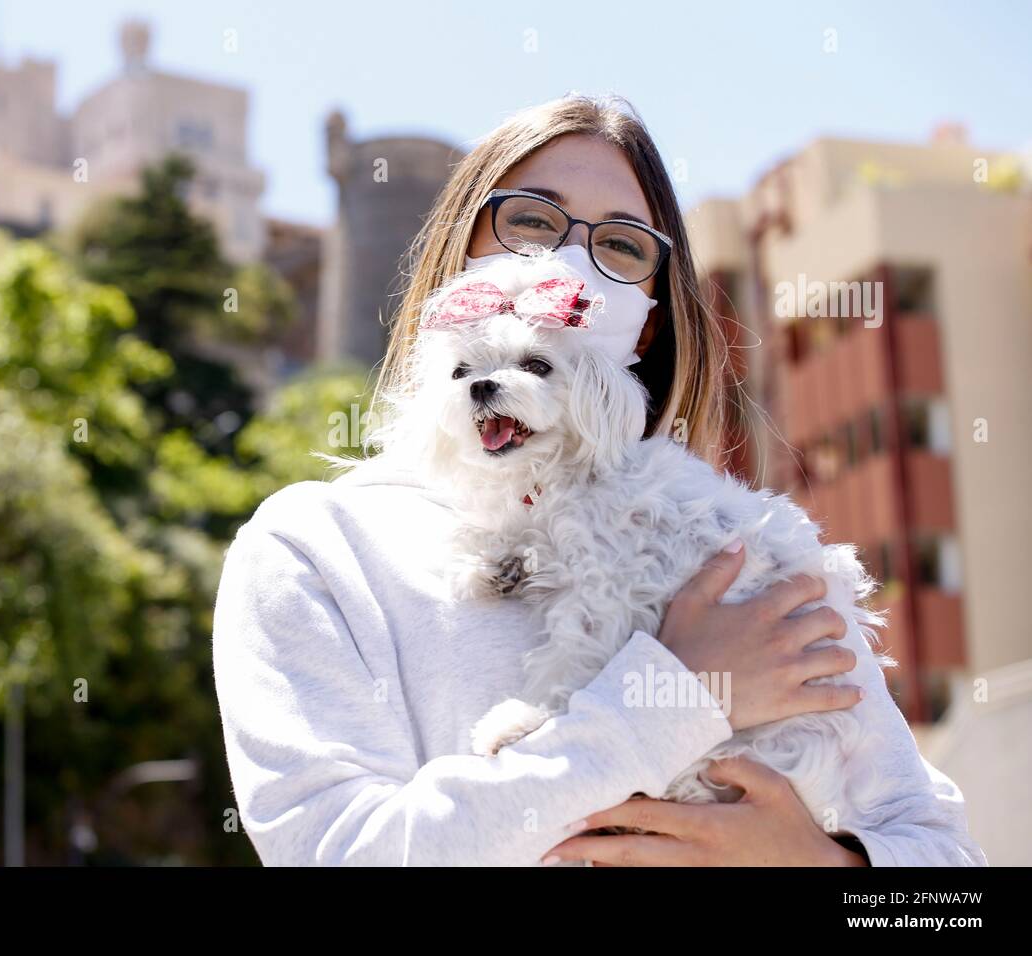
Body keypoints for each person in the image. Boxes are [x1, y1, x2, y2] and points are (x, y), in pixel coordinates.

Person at [211, 93, 985, 867]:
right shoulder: (313, 551)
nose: (567, 260)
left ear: (648, 316)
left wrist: (821, 864)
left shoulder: (746, 558)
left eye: (620, 244)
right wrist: (680, 697)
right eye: (533, 219)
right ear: (458, 252)